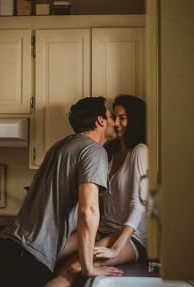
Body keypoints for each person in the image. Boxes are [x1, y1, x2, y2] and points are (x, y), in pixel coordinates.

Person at [0, 96, 123, 287]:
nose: (115, 123)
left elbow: (35, 187)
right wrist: (87, 267)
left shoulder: (60, 146)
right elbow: (88, 210)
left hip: (6, 246)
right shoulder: (94, 151)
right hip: (28, 257)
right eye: (110, 116)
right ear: (100, 120)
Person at [44, 94, 148, 287]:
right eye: (114, 117)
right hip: (102, 229)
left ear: (135, 120)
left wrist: (116, 249)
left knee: (72, 267)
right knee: (51, 251)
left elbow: (140, 204)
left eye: (122, 118)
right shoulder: (106, 152)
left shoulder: (140, 152)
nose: (116, 123)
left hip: (130, 236)